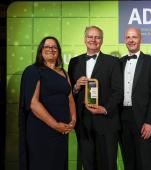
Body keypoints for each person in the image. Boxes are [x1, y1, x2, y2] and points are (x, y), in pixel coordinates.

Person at [68, 26, 123, 170]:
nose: (93, 40)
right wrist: (76, 87)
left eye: (97, 37)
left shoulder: (113, 62)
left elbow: (118, 91)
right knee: (88, 163)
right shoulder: (74, 62)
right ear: (84, 39)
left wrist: (105, 109)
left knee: (108, 164)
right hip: (83, 122)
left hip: (107, 121)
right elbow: (69, 94)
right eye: (90, 37)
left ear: (102, 40)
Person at [19, 36, 76, 170]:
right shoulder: (33, 71)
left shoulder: (64, 73)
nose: (51, 49)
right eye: (47, 46)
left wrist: (73, 120)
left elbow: (70, 99)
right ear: (41, 51)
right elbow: (33, 103)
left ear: (59, 51)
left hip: (62, 132)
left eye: (54, 47)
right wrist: (56, 125)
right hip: (41, 130)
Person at [119, 27, 151, 170]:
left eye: (134, 37)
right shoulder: (120, 62)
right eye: (128, 37)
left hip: (143, 119)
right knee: (128, 160)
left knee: (146, 161)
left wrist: (150, 121)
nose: (131, 40)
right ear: (125, 40)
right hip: (122, 118)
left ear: (140, 39)